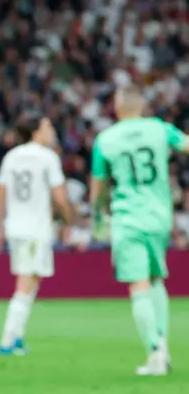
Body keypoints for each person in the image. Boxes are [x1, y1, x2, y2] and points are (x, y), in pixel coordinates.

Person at [89, 85, 189, 375]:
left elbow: (99, 186)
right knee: (157, 279)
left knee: (139, 284)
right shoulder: (159, 129)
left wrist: (98, 215)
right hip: (160, 216)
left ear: (117, 108)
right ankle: (163, 347)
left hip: (128, 217)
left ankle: (155, 352)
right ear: (142, 105)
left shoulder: (105, 140)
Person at [0, 116, 74, 355]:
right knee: (26, 283)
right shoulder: (48, 157)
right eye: (47, 127)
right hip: (35, 229)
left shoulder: (11, 156)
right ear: (36, 132)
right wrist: (68, 223)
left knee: (32, 280)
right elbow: (60, 197)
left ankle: (17, 336)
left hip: (16, 226)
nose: (52, 131)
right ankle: (7, 338)